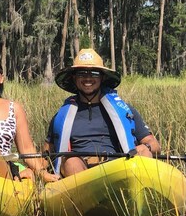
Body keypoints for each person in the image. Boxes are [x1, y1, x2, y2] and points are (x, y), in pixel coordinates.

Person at [43, 48, 161, 177]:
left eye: (94, 73)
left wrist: (146, 147)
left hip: (118, 168)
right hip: (80, 171)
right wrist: (39, 171)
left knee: (144, 154)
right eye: (82, 73)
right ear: (74, 78)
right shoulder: (61, 116)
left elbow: (154, 144)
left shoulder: (125, 111)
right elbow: (46, 152)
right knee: (71, 163)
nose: (88, 78)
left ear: (102, 77)